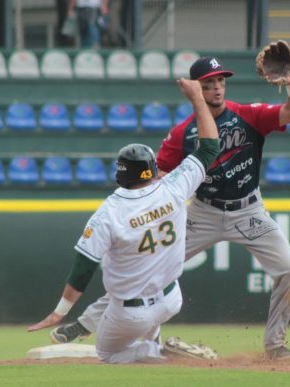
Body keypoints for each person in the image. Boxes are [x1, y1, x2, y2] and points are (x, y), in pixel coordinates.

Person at [50, 56, 290, 361]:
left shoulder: (247, 115)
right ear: (196, 89)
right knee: (148, 269)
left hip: (248, 211)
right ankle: (86, 323)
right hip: (203, 212)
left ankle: (275, 345)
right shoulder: (182, 134)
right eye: (208, 84)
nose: (217, 89)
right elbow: (153, 179)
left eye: (220, 82)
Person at [27, 78, 220, 364]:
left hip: (130, 313)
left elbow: (84, 266)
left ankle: (164, 354)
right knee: (144, 290)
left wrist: (60, 311)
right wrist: (198, 100)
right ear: (153, 170)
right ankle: (156, 342)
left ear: (121, 175)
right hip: (171, 298)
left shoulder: (109, 212)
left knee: (108, 355)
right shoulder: (174, 187)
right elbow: (209, 148)